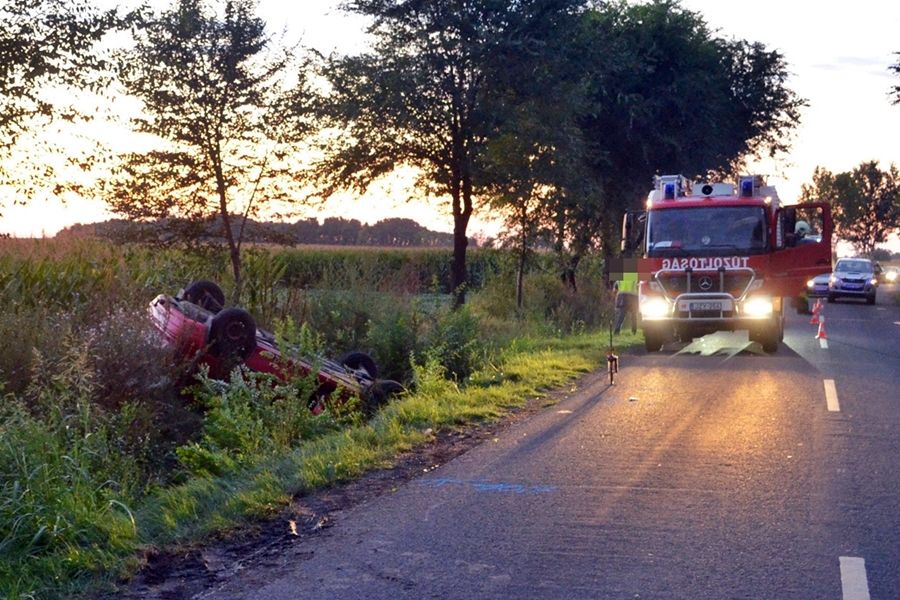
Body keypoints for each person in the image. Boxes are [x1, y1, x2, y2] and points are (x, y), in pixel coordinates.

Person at [613, 270, 639, 335]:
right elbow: (639, 288)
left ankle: (616, 331)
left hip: (622, 299)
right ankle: (634, 332)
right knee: (634, 316)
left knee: (621, 316)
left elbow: (614, 290)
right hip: (633, 299)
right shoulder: (635, 278)